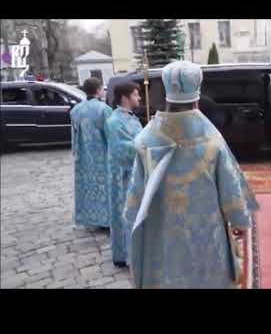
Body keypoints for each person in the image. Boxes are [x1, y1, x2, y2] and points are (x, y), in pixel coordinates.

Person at [122, 61, 259, 288]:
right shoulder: (212, 139)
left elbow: (134, 200)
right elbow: (230, 189)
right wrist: (240, 220)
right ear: (196, 98)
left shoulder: (146, 140)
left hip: (162, 235)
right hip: (206, 234)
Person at [106, 82, 143, 267]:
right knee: (125, 214)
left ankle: (136, 251)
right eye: (136, 95)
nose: (139, 98)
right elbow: (120, 149)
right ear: (124, 98)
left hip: (134, 173)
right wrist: (145, 145)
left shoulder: (130, 118)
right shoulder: (114, 121)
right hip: (123, 177)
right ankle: (123, 255)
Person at [70, 77, 113, 228]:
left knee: (88, 185)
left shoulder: (76, 110)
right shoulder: (104, 109)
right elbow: (111, 134)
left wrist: (76, 152)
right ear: (98, 90)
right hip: (102, 154)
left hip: (84, 155)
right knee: (104, 186)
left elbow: (74, 135)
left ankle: (90, 218)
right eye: (102, 88)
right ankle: (107, 219)